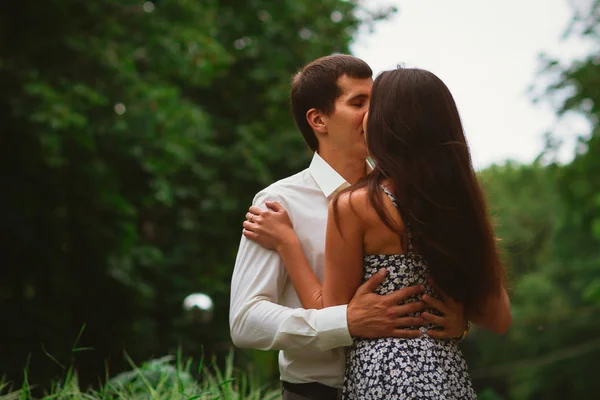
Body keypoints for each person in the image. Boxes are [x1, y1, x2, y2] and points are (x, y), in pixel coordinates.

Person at [242, 66, 512, 399]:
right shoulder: (279, 202)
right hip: (427, 381)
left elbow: (328, 304)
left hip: (380, 380)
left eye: (377, 104)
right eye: (359, 103)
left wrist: (288, 244)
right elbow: (245, 321)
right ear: (318, 120)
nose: (370, 114)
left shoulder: (358, 204)